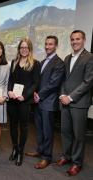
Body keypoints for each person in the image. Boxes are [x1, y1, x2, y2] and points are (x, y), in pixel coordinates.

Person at [25, 36, 65, 169]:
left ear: (56, 46)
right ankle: (40, 150)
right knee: (39, 129)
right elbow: (38, 81)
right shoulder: (42, 62)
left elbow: (53, 83)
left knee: (48, 131)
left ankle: (46, 157)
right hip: (38, 102)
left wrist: (39, 95)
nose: (48, 46)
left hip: (48, 102)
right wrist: (34, 94)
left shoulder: (59, 63)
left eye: (51, 44)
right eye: (46, 44)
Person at [57, 30, 93, 176]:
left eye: (77, 39)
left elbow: (88, 82)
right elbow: (64, 79)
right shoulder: (67, 58)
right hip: (65, 101)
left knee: (78, 135)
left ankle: (77, 163)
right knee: (65, 132)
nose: (74, 42)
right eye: (72, 39)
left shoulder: (90, 57)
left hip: (79, 103)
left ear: (84, 40)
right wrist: (62, 94)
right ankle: (67, 156)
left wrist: (70, 97)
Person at [7, 37, 40, 166]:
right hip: (13, 100)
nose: (24, 49)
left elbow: (35, 83)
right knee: (13, 125)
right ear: (19, 49)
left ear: (30, 49)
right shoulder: (14, 62)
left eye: (26, 47)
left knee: (24, 127)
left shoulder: (35, 64)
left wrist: (25, 96)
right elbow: (10, 80)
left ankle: (20, 151)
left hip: (24, 101)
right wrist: (9, 91)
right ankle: (15, 148)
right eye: (22, 47)